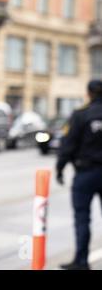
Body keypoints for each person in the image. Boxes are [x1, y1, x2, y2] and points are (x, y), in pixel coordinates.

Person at [56, 80, 102, 270]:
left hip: (86, 173)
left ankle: (82, 261)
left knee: (82, 218)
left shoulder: (81, 114)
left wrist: (60, 169)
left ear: (89, 93)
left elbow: (68, 145)